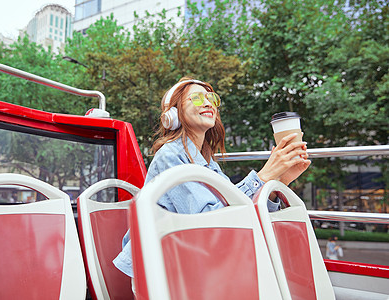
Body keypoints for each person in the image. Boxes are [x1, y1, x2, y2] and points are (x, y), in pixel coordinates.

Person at [113, 77, 311, 280]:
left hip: (194, 260)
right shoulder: (170, 156)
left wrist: (278, 181)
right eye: (197, 98)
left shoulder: (207, 162)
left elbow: (237, 209)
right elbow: (209, 219)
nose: (208, 103)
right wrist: (264, 175)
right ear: (173, 114)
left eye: (212, 99)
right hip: (163, 273)